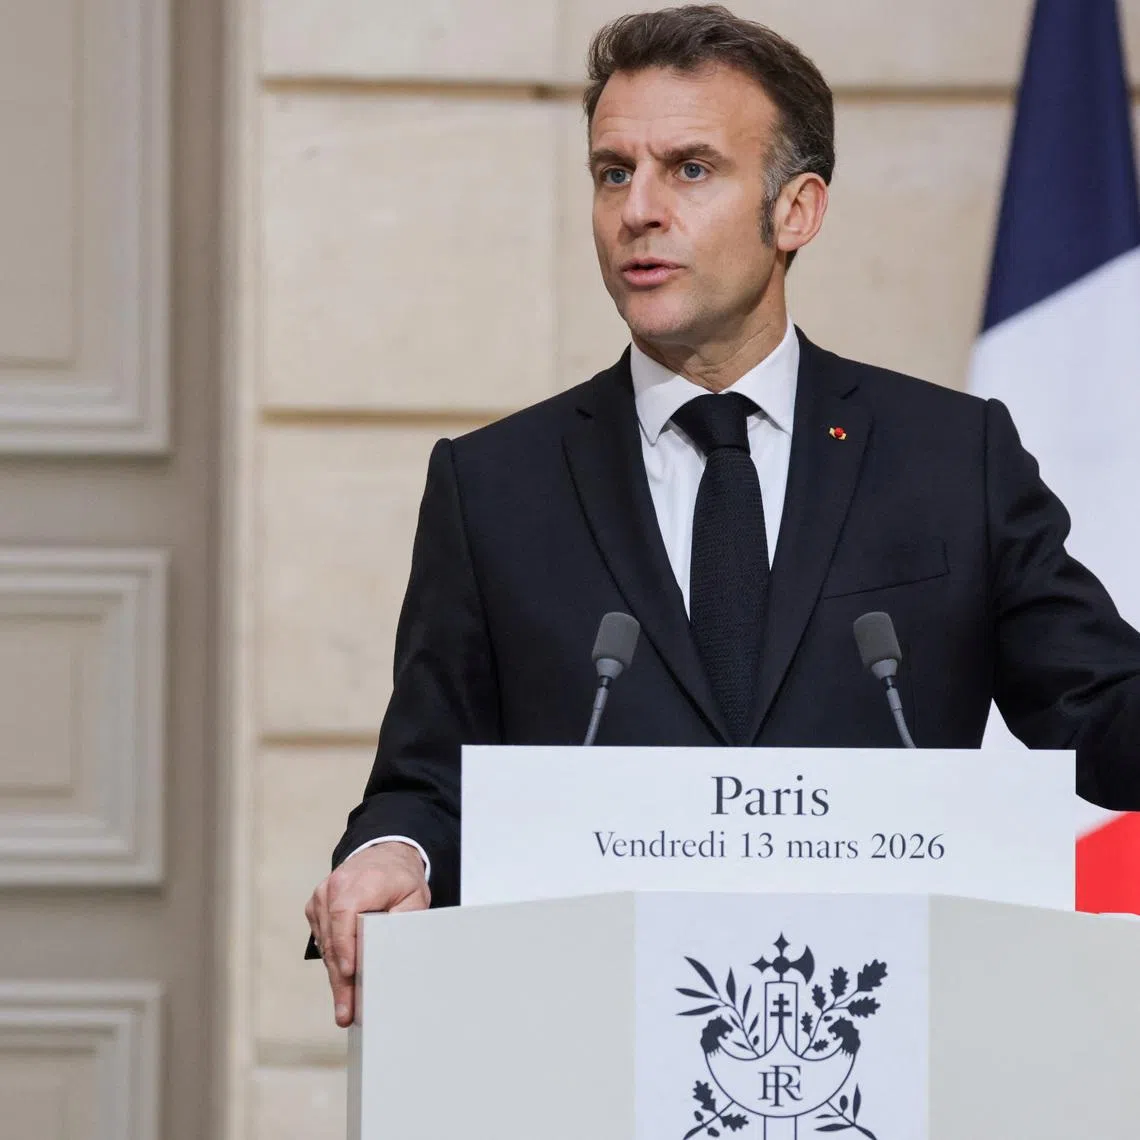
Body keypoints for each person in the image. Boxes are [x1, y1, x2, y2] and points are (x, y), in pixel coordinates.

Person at [304, 4, 1140, 1027]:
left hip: (891, 1032)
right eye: (614, 172)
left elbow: (1099, 712)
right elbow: (426, 776)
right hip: (586, 1035)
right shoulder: (494, 485)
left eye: (690, 169)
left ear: (797, 211)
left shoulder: (950, 458)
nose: (638, 211)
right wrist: (393, 851)